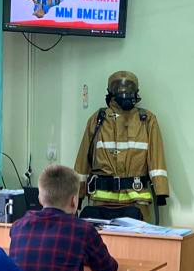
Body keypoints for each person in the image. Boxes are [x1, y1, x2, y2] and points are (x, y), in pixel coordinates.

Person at [73, 71, 170, 222]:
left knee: (136, 238)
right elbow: (83, 160)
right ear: (111, 91)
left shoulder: (146, 119)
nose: (124, 91)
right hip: (101, 201)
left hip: (136, 200)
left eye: (129, 88)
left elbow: (157, 158)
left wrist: (161, 191)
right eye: (118, 88)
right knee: (100, 238)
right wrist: (77, 194)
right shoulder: (98, 120)